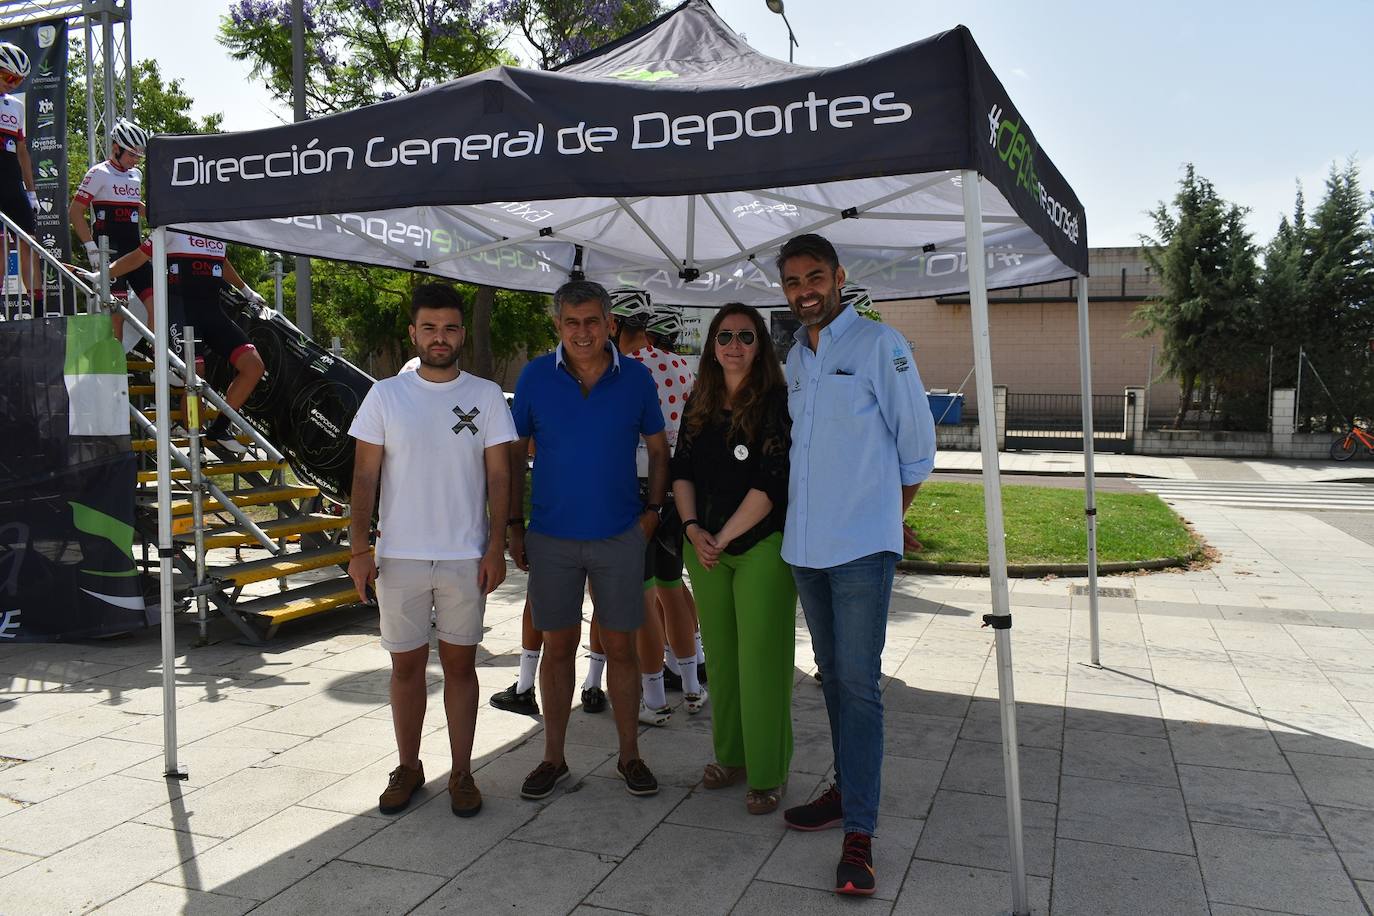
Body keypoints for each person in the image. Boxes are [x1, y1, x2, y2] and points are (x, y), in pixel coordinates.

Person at [775, 234, 935, 897]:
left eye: (816, 277)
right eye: (793, 282)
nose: (805, 290)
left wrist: (885, 516)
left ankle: (860, 834)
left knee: (861, 684)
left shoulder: (880, 344)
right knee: (833, 675)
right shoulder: (796, 356)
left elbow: (917, 446)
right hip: (805, 549)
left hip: (862, 550)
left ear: (839, 277)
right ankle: (845, 791)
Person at [346, 282, 514, 818]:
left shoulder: (486, 395)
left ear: (461, 332)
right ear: (413, 333)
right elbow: (364, 477)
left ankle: (462, 771)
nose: (439, 337)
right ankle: (410, 767)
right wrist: (359, 549)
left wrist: (496, 547)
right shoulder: (385, 395)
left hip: (466, 557)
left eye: (449, 328)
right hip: (399, 558)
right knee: (406, 669)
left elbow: (499, 476)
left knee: (461, 667)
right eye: (429, 328)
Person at [507, 279, 667, 800]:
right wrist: (512, 522)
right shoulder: (534, 375)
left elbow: (660, 451)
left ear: (610, 324)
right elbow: (513, 455)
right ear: (557, 325)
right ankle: (553, 757)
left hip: (619, 533)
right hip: (551, 536)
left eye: (593, 321)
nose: (582, 332)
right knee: (558, 649)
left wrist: (652, 512)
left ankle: (630, 756)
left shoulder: (638, 378)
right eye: (572, 322)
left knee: (621, 648)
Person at [671, 302, 794, 815]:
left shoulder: (775, 402)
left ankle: (768, 773)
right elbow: (681, 470)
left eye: (746, 336)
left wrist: (720, 536)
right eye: (725, 337)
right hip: (704, 547)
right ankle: (731, 756)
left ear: (760, 345)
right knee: (720, 659)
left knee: (761, 662)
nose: (735, 346)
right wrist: (693, 529)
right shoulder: (699, 398)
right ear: (712, 345)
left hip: (759, 546)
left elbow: (771, 483)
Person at [594, 287, 703, 727]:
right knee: (672, 587)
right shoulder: (681, 366)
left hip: (634, 489)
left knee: (640, 597)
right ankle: (693, 687)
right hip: (679, 487)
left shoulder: (621, 370)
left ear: (616, 325)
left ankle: (655, 698)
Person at [90, 232, 266, 454]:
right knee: (196, 373)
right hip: (181, 310)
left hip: (212, 312)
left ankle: (219, 428)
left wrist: (246, 291)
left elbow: (222, 261)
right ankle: (196, 442)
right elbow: (137, 257)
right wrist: (103, 275)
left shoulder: (218, 227)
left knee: (254, 366)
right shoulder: (172, 223)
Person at [70, 119, 151, 340]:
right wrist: (90, 248)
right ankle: (115, 367)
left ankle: (159, 367)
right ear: (116, 148)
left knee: (157, 303)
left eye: (138, 156)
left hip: (134, 250)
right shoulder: (98, 173)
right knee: (117, 312)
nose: (135, 161)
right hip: (109, 250)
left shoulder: (136, 175)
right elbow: (75, 211)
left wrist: (159, 215)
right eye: (131, 155)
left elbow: (134, 204)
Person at [0, 43, 41, 313]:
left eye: (19, 80)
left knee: (29, 242)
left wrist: (32, 191)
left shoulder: (14, 106)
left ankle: (38, 308)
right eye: (9, 77)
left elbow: (22, 151)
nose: (14, 84)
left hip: (11, 181)